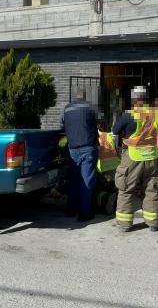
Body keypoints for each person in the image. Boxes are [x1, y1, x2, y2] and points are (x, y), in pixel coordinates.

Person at [112, 86, 158, 232]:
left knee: (126, 189)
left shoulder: (129, 115)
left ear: (134, 99)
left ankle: (124, 223)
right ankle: (153, 222)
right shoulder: (157, 114)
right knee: (151, 189)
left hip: (133, 157)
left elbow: (115, 130)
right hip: (152, 157)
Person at [61, 89, 99, 222]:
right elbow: (96, 124)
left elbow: (63, 125)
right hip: (87, 147)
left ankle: (71, 209)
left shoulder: (66, 109)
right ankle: (85, 213)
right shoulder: (90, 107)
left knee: (74, 180)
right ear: (85, 97)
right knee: (86, 180)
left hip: (72, 148)